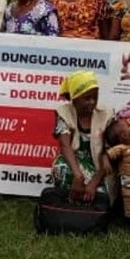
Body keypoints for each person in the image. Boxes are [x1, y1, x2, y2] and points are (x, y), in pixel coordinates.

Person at [52, 71, 114, 201]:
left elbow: (110, 152)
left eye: (95, 98)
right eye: (87, 98)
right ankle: (69, 205)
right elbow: (65, 145)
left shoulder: (107, 114)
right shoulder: (64, 112)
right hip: (75, 163)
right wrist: (78, 176)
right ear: (75, 98)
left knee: (98, 195)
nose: (92, 102)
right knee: (61, 168)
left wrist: (94, 183)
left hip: (100, 166)